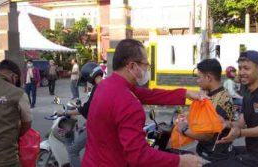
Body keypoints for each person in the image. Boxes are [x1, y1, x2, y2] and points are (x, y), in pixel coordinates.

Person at [81, 39, 205, 167]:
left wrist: (184, 93)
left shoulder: (106, 85)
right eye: (145, 65)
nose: (147, 69)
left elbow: (149, 95)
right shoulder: (128, 102)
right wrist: (181, 161)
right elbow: (139, 156)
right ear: (132, 66)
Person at [207, 50, 258, 167]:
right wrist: (227, 123)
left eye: (246, 68)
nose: (241, 72)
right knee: (216, 154)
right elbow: (241, 122)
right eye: (240, 68)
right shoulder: (247, 94)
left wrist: (239, 133)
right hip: (251, 150)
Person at [177, 59, 234, 162]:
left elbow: (207, 135)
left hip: (213, 156)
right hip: (210, 151)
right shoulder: (219, 94)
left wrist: (184, 129)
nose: (197, 80)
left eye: (199, 77)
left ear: (208, 78)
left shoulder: (219, 101)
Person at [58, 62, 104, 167]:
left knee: (72, 150)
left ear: (89, 75)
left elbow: (85, 109)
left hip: (97, 126)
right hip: (104, 125)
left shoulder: (98, 88)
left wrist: (65, 112)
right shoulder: (105, 84)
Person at [0, 60, 32, 167]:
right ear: (13, 77)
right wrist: (14, 134)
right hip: (5, 159)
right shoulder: (18, 94)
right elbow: (27, 124)